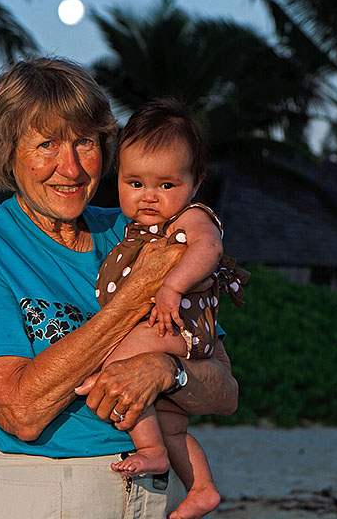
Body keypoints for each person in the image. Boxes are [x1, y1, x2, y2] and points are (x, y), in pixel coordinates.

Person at [0, 57, 239, 519]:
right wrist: (136, 296)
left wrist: (166, 370)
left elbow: (224, 391)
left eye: (84, 142)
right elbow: (21, 413)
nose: (70, 167)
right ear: (7, 151)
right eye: (46, 144)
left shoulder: (139, 230)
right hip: (36, 491)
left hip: (149, 494)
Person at [94, 99, 248, 519]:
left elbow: (208, 249)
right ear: (118, 178)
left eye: (166, 185)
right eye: (135, 183)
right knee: (172, 419)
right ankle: (201, 487)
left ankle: (150, 450)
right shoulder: (136, 230)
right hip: (171, 328)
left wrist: (172, 287)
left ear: (195, 182)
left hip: (180, 325)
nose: (149, 197)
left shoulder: (191, 218)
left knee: (114, 355)